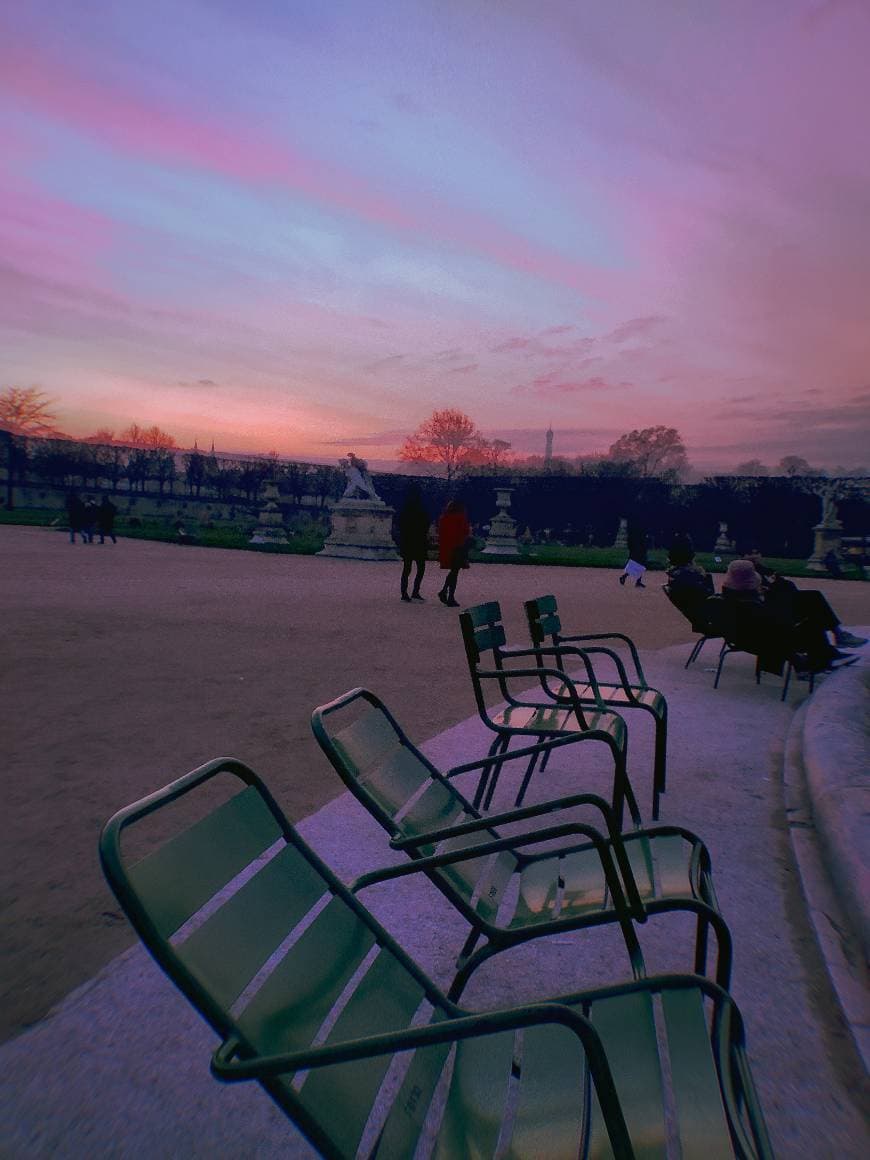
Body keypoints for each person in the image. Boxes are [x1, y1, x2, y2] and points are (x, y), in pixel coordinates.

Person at [720, 559, 859, 676]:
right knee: (811, 621)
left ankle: (828, 651)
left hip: (752, 637)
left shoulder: (731, 598)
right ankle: (824, 657)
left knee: (809, 599)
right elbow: (776, 621)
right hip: (772, 639)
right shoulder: (750, 604)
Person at [744, 548, 865, 649]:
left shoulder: (763, 569)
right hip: (775, 610)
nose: (755, 556)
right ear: (744, 556)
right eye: (751, 553)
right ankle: (837, 637)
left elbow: (784, 584)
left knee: (813, 603)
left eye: (757, 553)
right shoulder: (745, 572)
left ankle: (835, 638)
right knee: (813, 602)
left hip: (779, 604)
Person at [397, 484, 430, 602]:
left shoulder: (406, 507)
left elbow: (400, 524)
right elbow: (426, 523)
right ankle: (415, 591)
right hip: (419, 541)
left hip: (408, 541)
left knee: (407, 568)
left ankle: (404, 592)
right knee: (420, 568)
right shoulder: (421, 507)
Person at [437, 500, 472, 608]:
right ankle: (449, 595)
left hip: (447, 547)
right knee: (454, 572)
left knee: (453, 571)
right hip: (458, 547)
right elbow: (465, 531)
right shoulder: (460, 517)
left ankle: (445, 591)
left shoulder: (444, 517)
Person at [618, 522, 648, 588]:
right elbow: (636, 543)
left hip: (639, 550)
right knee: (637, 564)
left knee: (640, 566)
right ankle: (626, 577)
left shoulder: (638, 532)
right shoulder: (637, 533)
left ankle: (637, 581)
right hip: (638, 551)